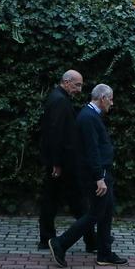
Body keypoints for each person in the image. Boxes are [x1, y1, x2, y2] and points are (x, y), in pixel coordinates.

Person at [48, 84, 126, 267]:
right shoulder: (89, 118)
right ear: (102, 98)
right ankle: (60, 243)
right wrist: (99, 177)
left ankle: (104, 253)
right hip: (96, 175)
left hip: (102, 173)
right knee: (95, 214)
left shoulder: (90, 115)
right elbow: (92, 150)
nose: (112, 103)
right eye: (111, 99)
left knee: (105, 212)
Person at [36, 70, 94, 254]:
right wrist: (57, 163)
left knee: (52, 201)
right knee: (77, 202)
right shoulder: (60, 101)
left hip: (61, 161)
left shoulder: (57, 98)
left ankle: (47, 238)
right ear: (66, 82)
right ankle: (91, 240)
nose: (79, 89)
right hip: (64, 163)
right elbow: (56, 133)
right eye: (77, 85)